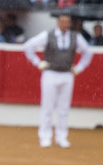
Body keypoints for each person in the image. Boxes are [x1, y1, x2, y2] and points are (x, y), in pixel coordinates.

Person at [21, 13, 93, 148]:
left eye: (67, 22)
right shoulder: (47, 35)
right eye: (62, 21)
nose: (65, 24)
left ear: (70, 23)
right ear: (58, 22)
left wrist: (79, 67)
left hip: (67, 74)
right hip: (50, 73)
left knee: (63, 108)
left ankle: (61, 137)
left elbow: (88, 52)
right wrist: (38, 62)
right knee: (47, 107)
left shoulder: (75, 37)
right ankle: (45, 136)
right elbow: (28, 46)